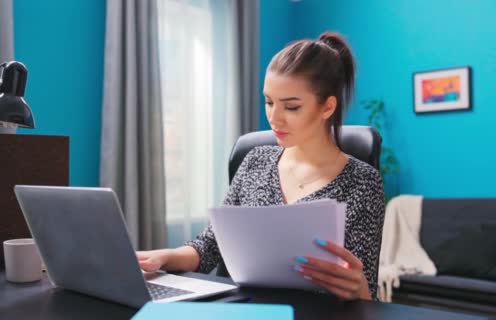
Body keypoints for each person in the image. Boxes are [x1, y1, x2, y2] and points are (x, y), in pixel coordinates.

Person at [137, 32, 386, 301]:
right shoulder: (255, 161)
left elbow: (366, 292)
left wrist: (357, 286)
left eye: (291, 107)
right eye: (269, 102)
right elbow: (211, 245)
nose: (274, 118)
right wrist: (164, 257)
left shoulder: (363, 182)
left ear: (327, 107)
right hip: (245, 309)